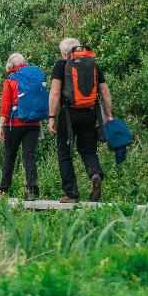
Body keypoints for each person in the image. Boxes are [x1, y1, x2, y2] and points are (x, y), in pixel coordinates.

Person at [48, 38, 111, 203]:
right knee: (88, 150)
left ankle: (71, 193)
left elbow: (54, 93)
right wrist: (108, 115)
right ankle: (95, 173)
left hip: (68, 115)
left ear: (63, 53)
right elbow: (104, 91)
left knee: (64, 153)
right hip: (90, 114)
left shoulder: (61, 65)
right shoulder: (92, 65)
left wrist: (51, 117)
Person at [0, 53, 48, 198]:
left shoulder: (10, 80)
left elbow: (5, 105)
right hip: (33, 123)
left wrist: (1, 125)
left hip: (14, 124)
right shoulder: (34, 78)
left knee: (10, 155)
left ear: (10, 65)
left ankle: (4, 188)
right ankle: (31, 189)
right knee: (29, 156)